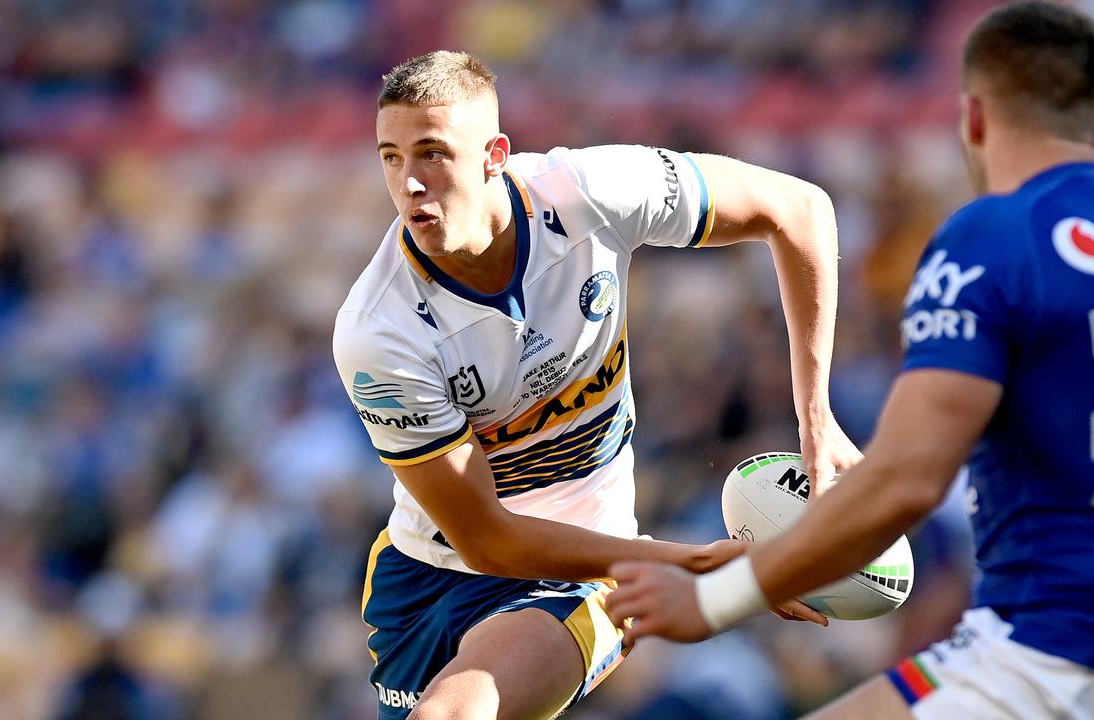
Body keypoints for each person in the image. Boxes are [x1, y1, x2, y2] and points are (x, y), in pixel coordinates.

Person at [606, 3, 1094, 719]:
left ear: (973, 119)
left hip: (1034, 664)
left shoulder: (996, 233)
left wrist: (715, 600)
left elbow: (908, 479)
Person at [332, 50, 861, 720]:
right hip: (428, 575)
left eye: (433, 153)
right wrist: (688, 561)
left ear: (495, 154)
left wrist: (816, 418)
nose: (409, 183)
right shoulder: (379, 331)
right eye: (390, 157)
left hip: (581, 569)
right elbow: (486, 539)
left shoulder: (589, 193)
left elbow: (800, 209)